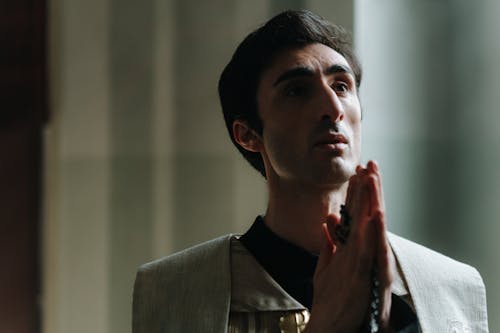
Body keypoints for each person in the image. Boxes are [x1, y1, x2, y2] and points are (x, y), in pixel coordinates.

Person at [132, 9, 488, 333]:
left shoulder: (450, 286)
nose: (332, 108)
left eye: (342, 86)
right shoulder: (175, 289)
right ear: (249, 135)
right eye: (297, 91)